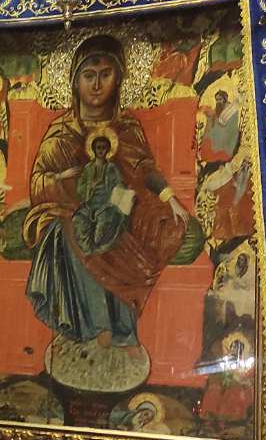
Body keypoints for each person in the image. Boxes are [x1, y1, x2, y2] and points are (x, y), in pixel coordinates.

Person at [23, 34, 194, 394]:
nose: (97, 84)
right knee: (70, 234)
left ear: (119, 80)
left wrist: (170, 199)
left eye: (105, 74)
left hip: (117, 206)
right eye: (89, 75)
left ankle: (123, 332)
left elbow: (143, 170)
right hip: (70, 211)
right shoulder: (61, 132)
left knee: (137, 226)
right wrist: (65, 181)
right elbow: (38, 182)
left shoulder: (127, 128)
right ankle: (91, 328)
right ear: (75, 82)